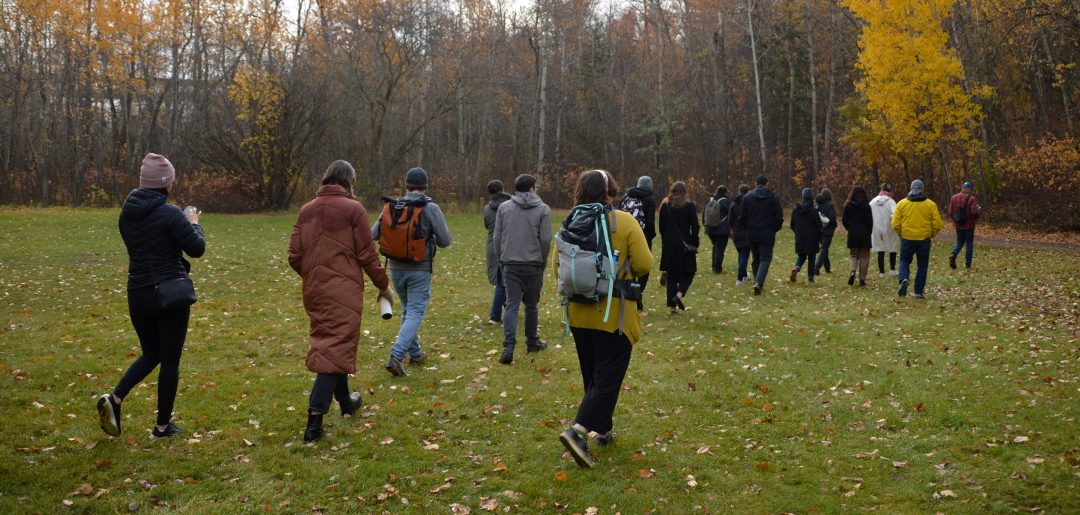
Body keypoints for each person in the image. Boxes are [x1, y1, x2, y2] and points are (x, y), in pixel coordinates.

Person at [97, 153, 205, 439]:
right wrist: (193, 221)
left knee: (151, 353)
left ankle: (115, 399)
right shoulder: (171, 213)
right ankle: (162, 427)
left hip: (137, 292)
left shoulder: (126, 214)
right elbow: (196, 248)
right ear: (166, 182)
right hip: (169, 294)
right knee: (169, 361)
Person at [288, 160, 394, 442]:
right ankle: (314, 421)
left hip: (314, 289)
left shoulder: (306, 210)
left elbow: (294, 256)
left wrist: (314, 275)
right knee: (334, 345)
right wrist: (384, 286)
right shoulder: (353, 209)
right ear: (349, 181)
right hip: (343, 290)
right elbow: (367, 255)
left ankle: (346, 401)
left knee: (332, 343)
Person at [555, 170, 653, 468]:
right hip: (613, 314)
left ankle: (604, 429)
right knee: (607, 379)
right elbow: (644, 263)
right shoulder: (624, 221)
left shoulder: (570, 222)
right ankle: (578, 431)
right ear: (610, 191)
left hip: (577, 313)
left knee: (594, 376)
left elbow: (557, 267)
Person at [373, 167, 452, 376]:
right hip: (419, 268)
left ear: (407, 185)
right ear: (425, 186)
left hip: (396, 267)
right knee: (415, 312)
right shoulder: (430, 207)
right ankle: (396, 355)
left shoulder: (392, 206)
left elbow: (373, 234)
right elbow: (445, 240)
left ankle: (416, 353)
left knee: (409, 310)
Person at [492, 174, 552, 365]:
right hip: (533, 263)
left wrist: (501, 258)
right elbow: (545, 239)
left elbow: (497, 237)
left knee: (511, 304)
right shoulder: (543, 209)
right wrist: (542, 260)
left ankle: (508, 347)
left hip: (510, 262)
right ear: (532, 188)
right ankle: (531, 342)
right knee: (531, 305)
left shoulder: (504, 208)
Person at [891, 179, 943, 298]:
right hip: (924, 239)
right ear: (922, 189)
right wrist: (931, 234)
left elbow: (895, 224)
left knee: (904, 260)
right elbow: (937, 224)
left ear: (911, 189)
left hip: (907, 238)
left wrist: (901, 234)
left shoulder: (902, 204)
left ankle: (904, 278)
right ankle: (919, 292)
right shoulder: (930, 204)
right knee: (922, 265)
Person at [735, 175, 784, 295]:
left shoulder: (747, 198)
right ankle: (758, 282)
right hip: (767, 232)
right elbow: (779, 217)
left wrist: (746, 228)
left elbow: (742, 217)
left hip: (751, 232)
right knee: (765, 258)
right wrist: (773, 229)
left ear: (755, 184)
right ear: (766, 184)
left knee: (756, 257)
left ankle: (757, 282)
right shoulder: (773, 198)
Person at [658, 181, 699, 312]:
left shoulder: (665, 206)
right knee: (689, 272)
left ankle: (672, 307)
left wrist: (666, 239)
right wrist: (694, 241)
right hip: (685, 244)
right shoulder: (689, 206)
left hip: (669, 245)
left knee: (671, 275)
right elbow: (695, 226)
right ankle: (679, 294)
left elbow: (661, 226)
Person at [619, 176, 657, 314]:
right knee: (643, 268)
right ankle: (638, 294)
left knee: (627, 267)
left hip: (624, 237)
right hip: (643, 238)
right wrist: (650, 236)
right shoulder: (649, 200)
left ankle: (629, 294)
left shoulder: (626, 197)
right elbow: (650, 222)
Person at [483, 180, 512, 325]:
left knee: (502, 280)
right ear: (502, 189)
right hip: (507, 244)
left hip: (492, 246)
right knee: (503, 282)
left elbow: (487, 225)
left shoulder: (487, 209)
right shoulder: (511, 206)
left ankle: (509, 308)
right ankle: (495, 315)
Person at [842, 186, 873, 287]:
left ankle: (852, 271)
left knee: (854, 255)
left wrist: (849, 228)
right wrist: (869, 232)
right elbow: (870, 222)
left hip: (853, 233)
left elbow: (844, 220)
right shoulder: (867, 206)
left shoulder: (848, 206)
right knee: (864, 257)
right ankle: (862, 279)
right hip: (865, 234)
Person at [789, 188, 822, 283]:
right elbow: (819, 225)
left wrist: (798, 232)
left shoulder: (796, 210)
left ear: (802, 197)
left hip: (800, 237)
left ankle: (796, 267)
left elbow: (792, 224)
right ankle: (810, 277)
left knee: (802, 256)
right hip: (812, 238)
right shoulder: (813, 211)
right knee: (812, 257)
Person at [947, 181, 981, 270]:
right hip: (969, 225)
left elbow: (950, 211)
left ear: (962, 188)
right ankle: (968, 265)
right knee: (969, 244)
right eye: (971, 189)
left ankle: (953, 254)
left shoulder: (954, 197)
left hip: (958, 225)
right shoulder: (972, 199)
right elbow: (974, 212)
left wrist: (955, 220)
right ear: (969, 189)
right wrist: (978, 212)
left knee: (959, 242)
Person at [870, 183, 900, 278]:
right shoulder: (891, 202)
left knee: (880, 249)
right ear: (890, 191)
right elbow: (895, 214)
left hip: (877, 228)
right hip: (889, 228)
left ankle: (881, 272)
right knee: (893, 247)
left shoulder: (873, 201)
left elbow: (868, 213)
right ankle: (892, 269)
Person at [703, 185, 733, 274]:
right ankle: (717, 269)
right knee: (720, 249)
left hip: (709, 229)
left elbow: (704, 214)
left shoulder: (710, 200)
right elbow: (731, 214)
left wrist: (705, 225)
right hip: (722, 230)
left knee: (715, 247)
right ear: (725, 192)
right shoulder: (726, 201)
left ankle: (714, 267)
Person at [730, 184, 752, 286]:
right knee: (744, 256)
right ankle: (739, 278)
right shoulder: (749, 204)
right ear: (748, 192)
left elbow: (730, 221)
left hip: (736, 233)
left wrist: (731, 231)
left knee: (741, 255)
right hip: (746, 233)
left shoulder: (733, 204)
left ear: (739, 191)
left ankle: (744, 275)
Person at [813, 188, 837, 275]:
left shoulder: (817, 205)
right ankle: (817, 267)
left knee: (824, 249)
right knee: (824, 248)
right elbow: (832, 218)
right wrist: (834, 224)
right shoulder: (830, 205)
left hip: (819, 230)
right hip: (828, 230)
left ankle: (827, 268)